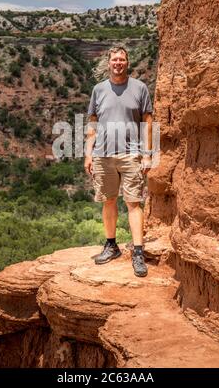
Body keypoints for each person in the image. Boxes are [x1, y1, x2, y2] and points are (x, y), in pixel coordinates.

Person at [84, 46, 153, 277]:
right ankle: (111, 245)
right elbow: (92, 123)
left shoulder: (140, 88)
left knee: (133, 202)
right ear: (108, 62)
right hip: (103, 155)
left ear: (127, 62)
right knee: (109, 200)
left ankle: (138, 252)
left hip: (131, 153)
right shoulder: (98, 89)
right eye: (114, 59)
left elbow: (147, 122)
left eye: (122, 59)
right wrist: (88, 153)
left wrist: (148, 153)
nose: (118, 63)